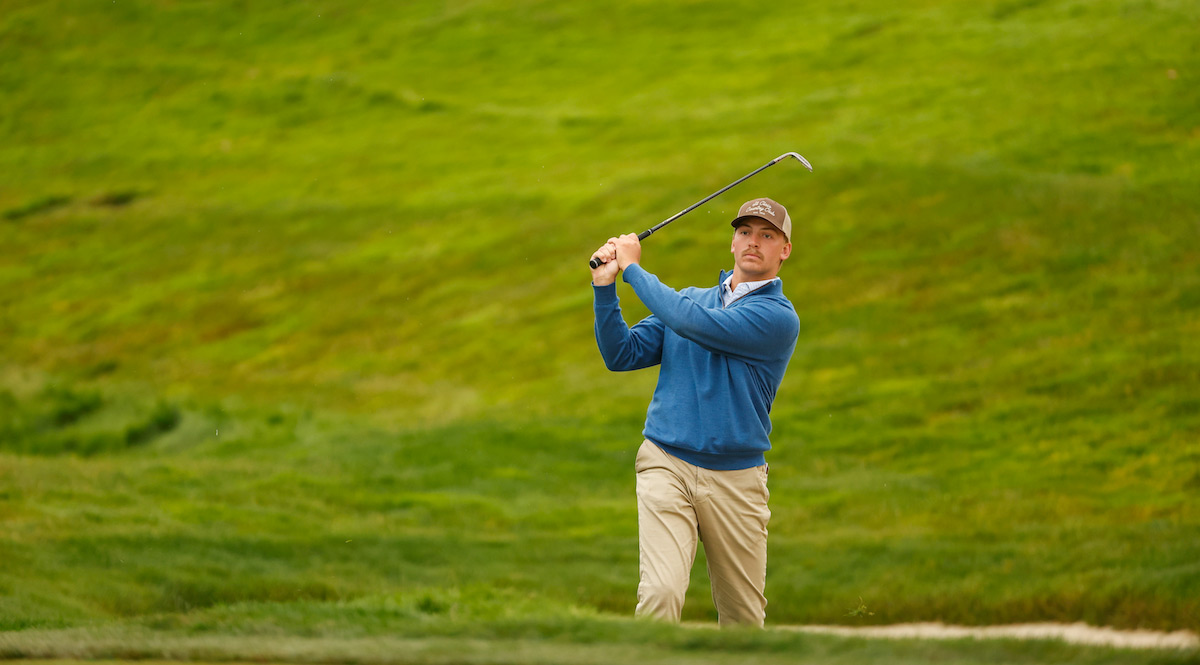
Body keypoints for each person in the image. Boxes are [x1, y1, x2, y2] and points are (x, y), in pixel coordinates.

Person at [588, 197, 800, 627]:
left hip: (736, 480)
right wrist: (605, 288)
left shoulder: (778, 318)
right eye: (744, 232)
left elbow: (697, 325)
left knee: (742, 619)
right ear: (732, 243)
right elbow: (621, 353)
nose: (753, 242)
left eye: (767, 235)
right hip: (667, 462)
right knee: (659, 595)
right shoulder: (689, 300)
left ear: (785, 250)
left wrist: (633, 269)